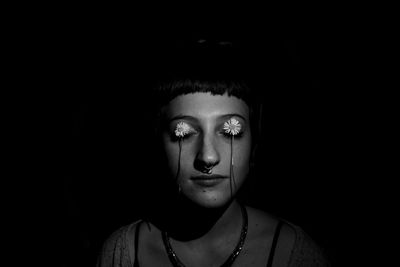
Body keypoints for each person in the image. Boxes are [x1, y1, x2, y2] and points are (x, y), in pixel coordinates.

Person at [96, 39, 330, 267]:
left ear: (254, 142)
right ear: (159, 142)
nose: (208, 157)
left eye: (231, 130)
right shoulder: (123, 253)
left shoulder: (295, 254)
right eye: (183, 132)